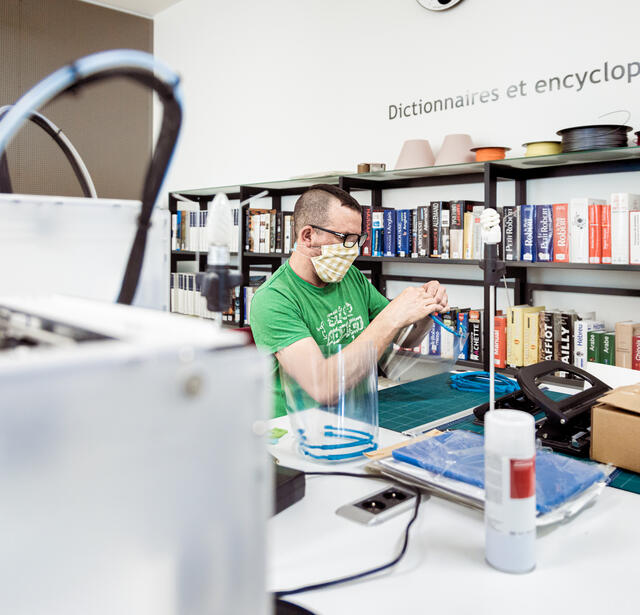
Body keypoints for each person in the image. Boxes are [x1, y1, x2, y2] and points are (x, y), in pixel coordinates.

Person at [249, 184, 449, 417]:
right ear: (307, 236)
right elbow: (323, 388)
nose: (353, 249)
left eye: (357, 239)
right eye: (345, 238)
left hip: (354, 415)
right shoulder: (273, 299)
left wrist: (425, 310)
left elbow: (405, 339)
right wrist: (391, 317)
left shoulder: (350, 277)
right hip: (299, 429)